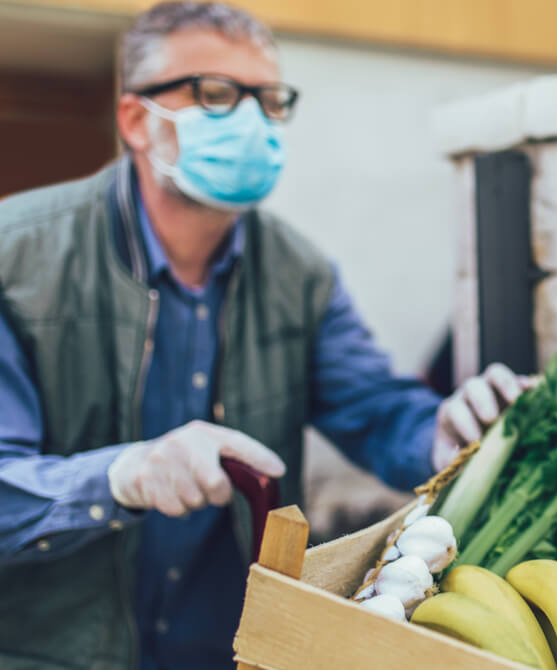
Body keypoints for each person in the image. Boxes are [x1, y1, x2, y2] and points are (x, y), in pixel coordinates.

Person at [0, 3, 522, 667]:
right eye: (216, 94)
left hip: (230, 646)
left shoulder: (297, 272)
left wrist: (444, 433)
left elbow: (375, 408)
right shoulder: (16, 259)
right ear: (136, 119)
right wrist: (121, 476)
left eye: (270, 100)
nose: (251, 121)